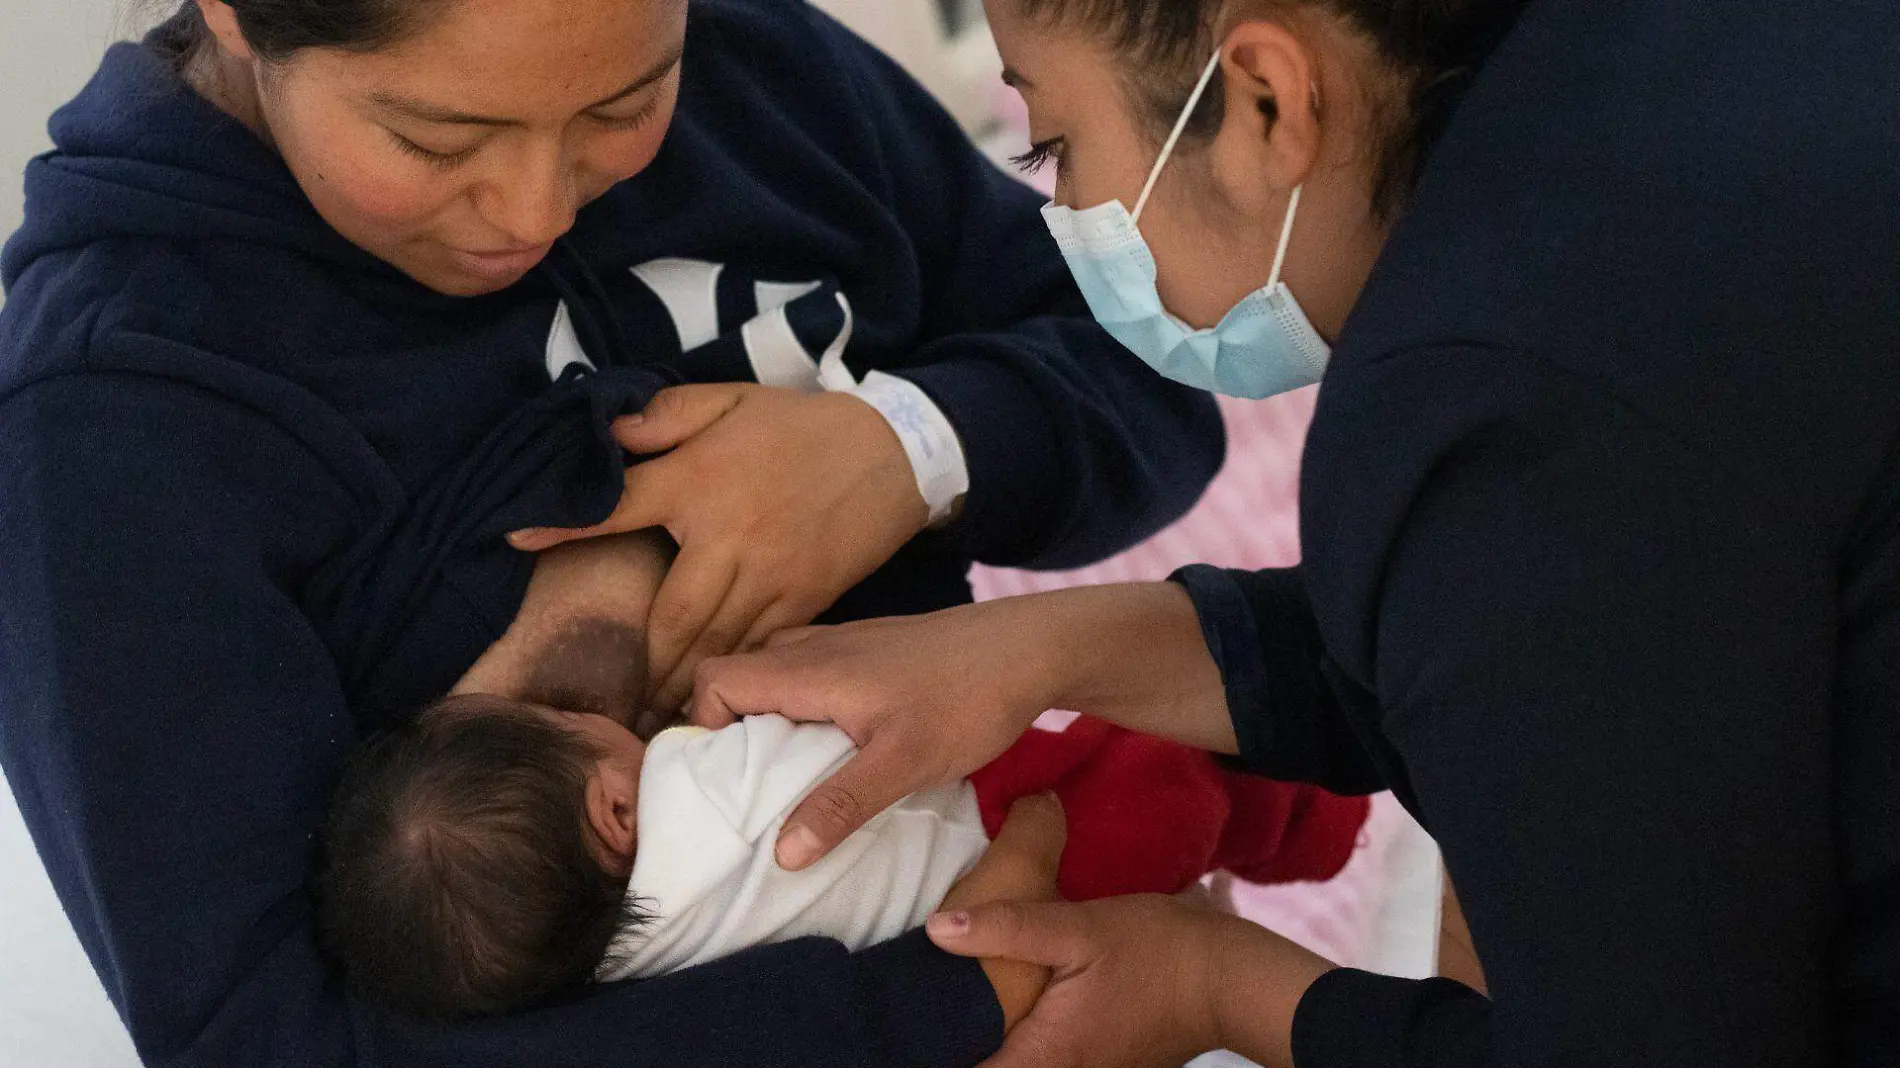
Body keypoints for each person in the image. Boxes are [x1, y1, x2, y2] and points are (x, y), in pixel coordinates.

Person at [0, 0, 1230, 1065]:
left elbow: (1157, 368)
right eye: (438, 138)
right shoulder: (117, 420)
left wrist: (910, 451)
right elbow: (265, 1041)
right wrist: (941, 1004)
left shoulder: (763, 75)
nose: (536, 206)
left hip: (1088, 919)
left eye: (624, 105)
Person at [685, 1, 1900, 1066]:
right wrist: (1040, 651)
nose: (1059, 208)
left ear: (1267, 95)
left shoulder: (1496, 406)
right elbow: (1550, 641)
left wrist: (1222, 985)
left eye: (1052, 147)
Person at [310, 530, 1366, 1019]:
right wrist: (751, 685)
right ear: (615, 804)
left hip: (1017, 936)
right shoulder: (695, 784)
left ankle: (1264, 848)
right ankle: (1324, 815)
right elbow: (828, 724)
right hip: (1008, 821)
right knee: (1170, 757)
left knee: (1183, 838)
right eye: (566, 719)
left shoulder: (626, 978)